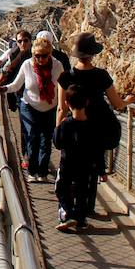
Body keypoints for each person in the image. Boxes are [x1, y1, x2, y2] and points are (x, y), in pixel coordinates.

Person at [57, 32, 135, 181]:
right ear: (92, 54)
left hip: (74, 126)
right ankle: (101, 173)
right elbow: (117, 103)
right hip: (97, 128)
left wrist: (58, 131)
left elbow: (62, 108)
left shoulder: (65, 77)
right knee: (93, 162)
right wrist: (128, 101)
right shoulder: (102, 75)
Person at [0, 38, 63, 182]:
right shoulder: (27, 65)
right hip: (29, 106)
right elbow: (16, 85)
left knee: (46, 139)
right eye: (37, 56)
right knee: (33, 137)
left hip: (50, 108)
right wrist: (3, 89)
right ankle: (32, 171)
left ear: (50, 54)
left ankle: (42, 172)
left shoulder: (57, 66)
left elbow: (63, 87)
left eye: (44, 55)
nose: (40, 59)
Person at [54, 84, 100, 232]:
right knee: (82, 192)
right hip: (86, 165)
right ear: (87, 102)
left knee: (62, 188)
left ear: (67, 104)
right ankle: (80, 220)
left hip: (67, 163)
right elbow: (97, 149)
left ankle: (67, 213)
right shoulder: (93, 125)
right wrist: (101, 170)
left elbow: (57, 143)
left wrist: (57, 125)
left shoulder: (65, 124)